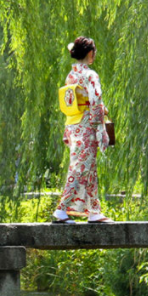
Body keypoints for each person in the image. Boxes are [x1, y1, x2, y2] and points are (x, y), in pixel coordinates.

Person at [52, 36, 112, 224]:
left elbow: (70, 102)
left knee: (89, 167)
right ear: (89, 53)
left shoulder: (71, 75)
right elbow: (95, 102)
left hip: (73, 124)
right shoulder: (90, 75)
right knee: (79, 167)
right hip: (86, 126)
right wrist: (100, 129)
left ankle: (94, 211)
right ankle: (61, 210)